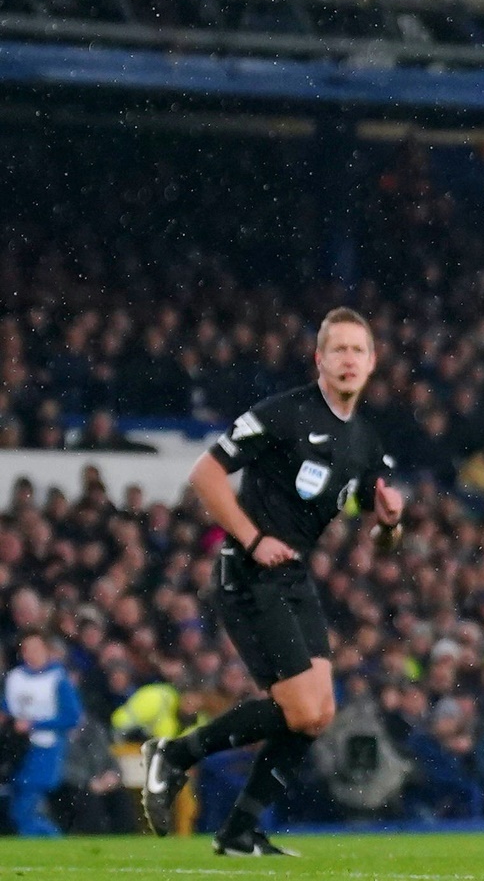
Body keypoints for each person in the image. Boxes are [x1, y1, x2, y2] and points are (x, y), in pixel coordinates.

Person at [140, 308, 405, 856]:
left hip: (292, 575)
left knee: (319, 715)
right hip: (248, 570)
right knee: (303, 711)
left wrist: (390, 524)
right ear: (320, 359)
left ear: (373, 363)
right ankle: (174, 755)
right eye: (340, 350)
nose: (350, 360)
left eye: (359, 351)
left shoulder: (364, 442)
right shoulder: (284, 414)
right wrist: (254, 538)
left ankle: (239, 830)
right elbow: (205, 474)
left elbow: (378, 540)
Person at [4, 633, 82, 836]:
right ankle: (48, 840)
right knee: (19, 806)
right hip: (18, 748)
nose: (31, 654)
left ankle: (53, 839)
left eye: (36, 649)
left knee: (23, 808)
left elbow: (72, 717)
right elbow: (7, 707)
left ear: (47, 651)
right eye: (27, 649)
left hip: (45, 749)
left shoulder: (58, 679)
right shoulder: (15, 678)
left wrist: (36, 724)